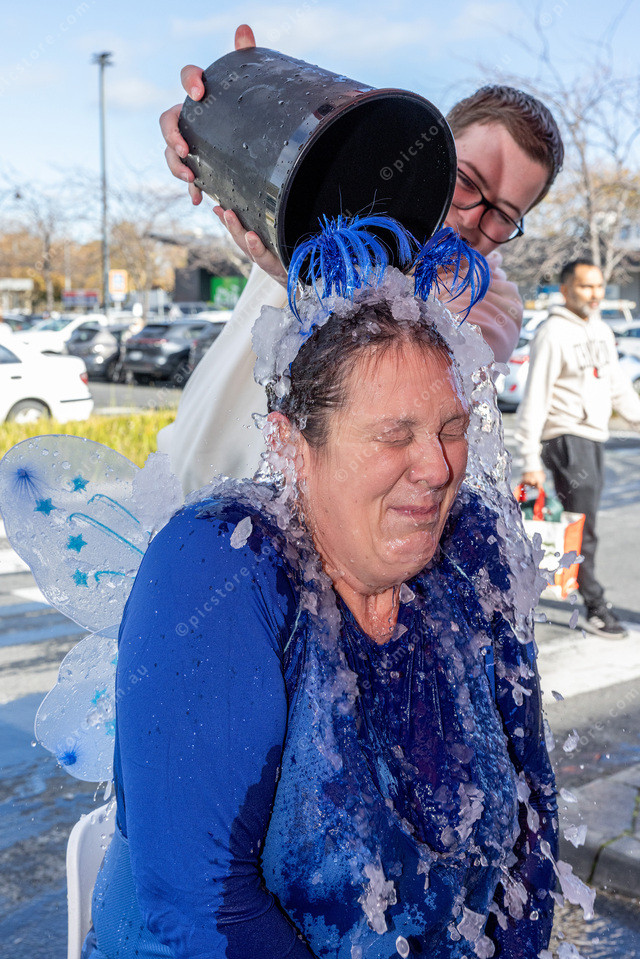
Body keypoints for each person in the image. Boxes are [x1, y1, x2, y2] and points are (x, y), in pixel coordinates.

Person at [76, 219, 561, 959]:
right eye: (394, 435)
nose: (437, 468)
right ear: (292, 444)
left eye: (452, 428)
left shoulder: (477, 553)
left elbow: (534, 816)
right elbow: (199, 900)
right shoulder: (225, 563)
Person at [156, 25, 564, 492]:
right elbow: (265, 151)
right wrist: (227, 116)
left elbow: (395, 349)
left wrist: (310, 278)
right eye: (468, 181)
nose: (473, 218)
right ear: (437, 147)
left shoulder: (492, 305)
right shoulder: (339, 193)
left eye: (504, 215)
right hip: (181, 480)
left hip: (279, 523)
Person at [517, 259, 640, 638]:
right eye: (586, 286)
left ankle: (571, 592)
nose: (594, 293)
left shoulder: (601, 329)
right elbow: (535, 397)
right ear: (566, 290)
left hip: (593, 436)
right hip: (567, 438)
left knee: (583, 524)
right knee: (583, 526)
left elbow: (617, 385)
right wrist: (529, 458)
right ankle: (595, 606)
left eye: (599, 286)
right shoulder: (552, 333)